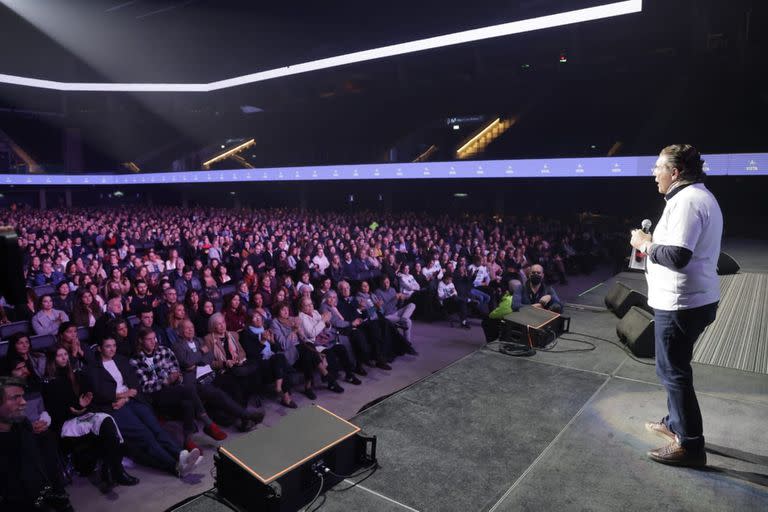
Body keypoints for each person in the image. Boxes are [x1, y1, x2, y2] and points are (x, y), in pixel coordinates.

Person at [630, 144, 722, 468]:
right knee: (671, 368)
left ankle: (691, 446)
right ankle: (675, 424)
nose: (654, 173)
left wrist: (645, 244)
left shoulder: (687, 202)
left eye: (659, 167)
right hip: (691, 301)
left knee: (674, 372)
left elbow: (678, 257)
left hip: (682, 304)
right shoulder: (696, 197)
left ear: (676, 172)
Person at [85, 336, 202, 477]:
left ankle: (182, 456)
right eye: (108, 346)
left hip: (132, 400)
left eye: (114, 345)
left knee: (156, 429)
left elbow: (134, 385)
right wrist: (120, 397)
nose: (112, 349)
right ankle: (175, 466)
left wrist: (126, 396)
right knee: (145, 436)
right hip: (115, 406)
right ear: (100, 348)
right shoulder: (93, 368)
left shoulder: (121, 360)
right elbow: (99, 393)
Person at [42, 346, 139, 493]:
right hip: (66, 421)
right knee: (104, 427)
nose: (64, 358)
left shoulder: (75, 374)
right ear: (52, 360)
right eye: (59, 355)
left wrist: (83, 406)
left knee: (108, 422)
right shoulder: (49, 382)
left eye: (65, 354)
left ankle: (110, 469)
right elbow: (54, 410)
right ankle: (115, 472)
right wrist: (77, 407)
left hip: (84, 414)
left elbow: (88, 396)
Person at [130, 327, 228, 450]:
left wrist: (176, 378)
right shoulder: (135, 360)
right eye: (148, 339)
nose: (153, 342)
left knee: (187, 402)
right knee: (188, 390)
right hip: (155, 395)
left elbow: (178, 372)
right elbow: (144, 387)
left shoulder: (165, 351)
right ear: (141, 341)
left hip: (174, 389)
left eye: (154, 338)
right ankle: (208, 423)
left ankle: (187, 441)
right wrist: (165, 381)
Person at [171, 320, 264, 430]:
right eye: (187, 328)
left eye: (192, 327)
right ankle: (246, 416)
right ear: (180, 331)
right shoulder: (177, 346)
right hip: (197, 381)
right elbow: (186, 362)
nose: (191, 330)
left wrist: (196, 361)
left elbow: (210, 357)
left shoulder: (199, 340)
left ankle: (243, 419)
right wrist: (201, 353)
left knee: (235, 382)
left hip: (212, 374)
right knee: (217, 393)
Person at [0, 376, 75, 512]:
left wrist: (59, 496)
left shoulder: (23, 424)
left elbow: (43, 467)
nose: (23, 402)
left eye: (22, 396)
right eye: (15, 398)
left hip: (43, 494)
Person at [238, 312, 297, 408]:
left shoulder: (266, 330)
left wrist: (272, 342)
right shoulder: (246, 334)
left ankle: (279, 389)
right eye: (254, 317)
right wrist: (262, 342)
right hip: (259, 363)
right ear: (249, 321)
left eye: (259, 317)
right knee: (280, 360)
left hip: (272, 360)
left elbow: (277, 348)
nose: (258, 319)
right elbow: (251, 354)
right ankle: (284, 396)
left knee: (279, 358)